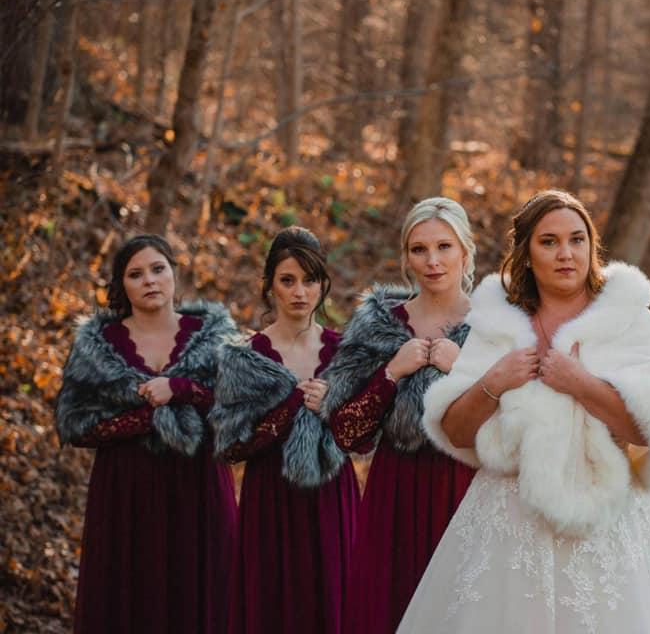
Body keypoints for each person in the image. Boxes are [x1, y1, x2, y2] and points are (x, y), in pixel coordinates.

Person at [399, 190, 650, 634]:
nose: (566, 253)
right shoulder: (497, 322)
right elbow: (456, 432)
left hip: (608, 519)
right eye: (549, 242)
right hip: (508, 522)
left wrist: (581, 384)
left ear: (591, 246)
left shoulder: (629, 319)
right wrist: (494, 381)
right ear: (526, 254)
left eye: (577, 239)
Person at [55, 234, 238, 634]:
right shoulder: (97, 345)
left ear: (174, 272)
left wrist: (181, 390)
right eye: (135, 274)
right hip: (125, 492)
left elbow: (238, 409)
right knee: (130, 597)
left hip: (199, 484)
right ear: (122, 285)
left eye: (158, 269)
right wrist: (146, 416)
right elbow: (76, 424)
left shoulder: (215, 336)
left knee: (202, 595)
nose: (150, 280)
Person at [320, 197, 477, 634]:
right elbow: (346, 431)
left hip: (469, 488)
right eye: (419, 249)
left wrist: (463, 368)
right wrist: (391, 372)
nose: (432, 261)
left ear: (465, 251)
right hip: (396, 490)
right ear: (406, 258)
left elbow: (515, 417)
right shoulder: (377, 325)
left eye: (444, 247)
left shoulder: (495, 325)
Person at [208, 226, 358, 634]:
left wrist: (332, 407)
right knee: (273, 603)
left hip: (332, 493)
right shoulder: (245, 356)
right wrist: (291, 403)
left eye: (309, 280)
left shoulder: (345, 350)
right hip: (270, 497)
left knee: (333, 599)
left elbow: (363, 436)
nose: (299, 292)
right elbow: (232, 446)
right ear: (270, 285)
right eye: (287, 280)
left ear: (323, 284)